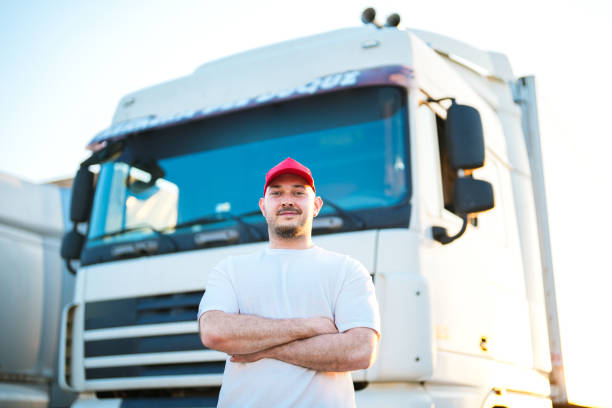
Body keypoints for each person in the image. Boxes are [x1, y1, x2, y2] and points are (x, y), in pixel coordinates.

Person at [197, 157, 381, 408]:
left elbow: (360, 350)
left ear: (316, 205)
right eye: (277, 193)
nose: (287, 200)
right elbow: (214, 331)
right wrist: (309, 326)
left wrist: (263, 350)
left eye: (298, 192)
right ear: (263, 206)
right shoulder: (230, 269)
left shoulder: (347, 270)